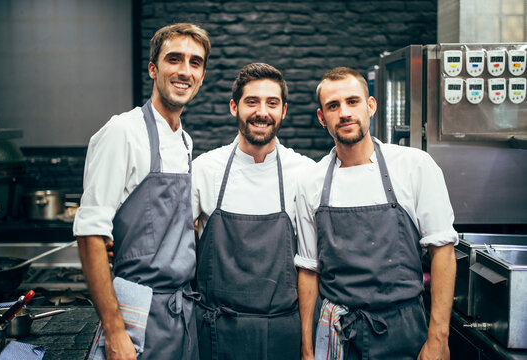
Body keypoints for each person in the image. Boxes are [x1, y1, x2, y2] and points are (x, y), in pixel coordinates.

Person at [295, 67, 457, 360]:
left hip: (404, 330)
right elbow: (308, 270)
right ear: (322, 118)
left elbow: (442, 251)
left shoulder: (415, 166)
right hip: (337, 331)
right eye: (333, 106)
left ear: (370, 106)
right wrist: (307, 350)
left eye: (352, 101)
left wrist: (438, 339)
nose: (344, 112)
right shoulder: (311, 181)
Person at [74, 23, 211, 360]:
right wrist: (114, 330)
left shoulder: (184, 140)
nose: (184, 71)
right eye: (174, 59)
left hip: (181, 313)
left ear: (202, 75)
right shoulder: (123, 131)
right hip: (137, 313)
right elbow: (89, 233)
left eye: (195, 62)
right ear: (153, 69)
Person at [191, 63, 315, 360]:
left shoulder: (306, 174)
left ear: (284, 110)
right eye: (251, 102)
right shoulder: (204, 170)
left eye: (272, 103)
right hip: (216, 330)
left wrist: (308, 347)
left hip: (284, 333)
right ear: (234, 107)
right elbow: (175, 248)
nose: (262, 112)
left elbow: (312, 266)